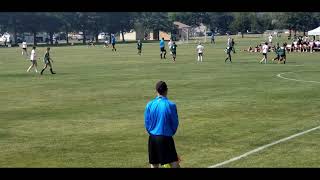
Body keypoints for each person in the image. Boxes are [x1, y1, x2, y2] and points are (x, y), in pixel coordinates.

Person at [144, 81, 180, 168]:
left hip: (152, 138)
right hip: (165, 137)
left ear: (156, 91)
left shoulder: (150, 104)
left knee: (154, 164)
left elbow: (147, 123)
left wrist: (152, 133)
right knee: (174, 163)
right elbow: (174, 122)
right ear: (166, 90)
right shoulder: (171, 105)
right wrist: (170, 133)